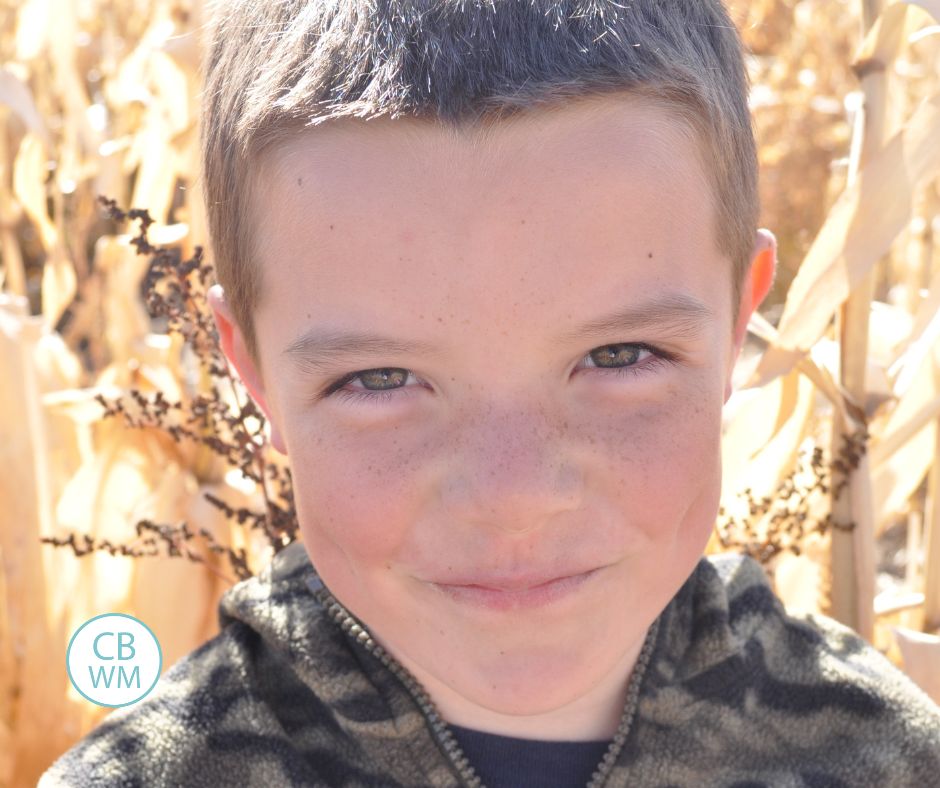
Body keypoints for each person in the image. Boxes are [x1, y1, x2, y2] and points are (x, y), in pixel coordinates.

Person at [42, 1, 940, 786]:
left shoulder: (891, 760)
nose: (514, 497)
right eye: (381, 379)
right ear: (256, 376)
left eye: (620, 355)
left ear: (741, 326)